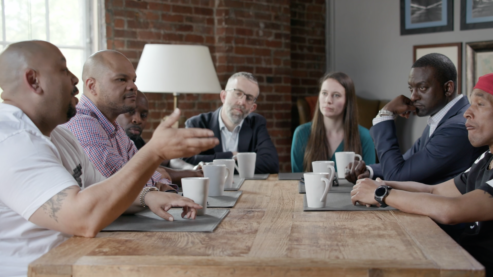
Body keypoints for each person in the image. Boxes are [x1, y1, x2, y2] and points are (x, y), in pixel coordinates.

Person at [0, 41, 218, 276]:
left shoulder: (60, 135)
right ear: (33, 80)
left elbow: (99, 189)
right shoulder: (13, 140)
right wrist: (155, 152)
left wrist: (149, 197)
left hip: (79, 260)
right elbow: (83, 218)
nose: (75, 80)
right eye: (64, 70)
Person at [351, 73, 493, 276]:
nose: (467, 113)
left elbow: (451, 210)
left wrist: (381, 193)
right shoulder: (486, 159)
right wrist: (381, 184)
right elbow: (435, 190)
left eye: (480, 104)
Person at [346, 53, 487, 184]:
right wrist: (369, 171)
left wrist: (385, 114)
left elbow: (397, 176)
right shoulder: (442, 119)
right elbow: (406, 163)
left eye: (423, 88)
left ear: (448, 88)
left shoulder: (457, 127)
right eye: (411, 89)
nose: (413, 97)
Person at [64, 50, 178, 191]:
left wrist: (157, 180)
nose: (133, 87)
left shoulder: (113, 126)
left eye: (133, 80)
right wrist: (157, 183)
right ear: (92, 86)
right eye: (121, 79)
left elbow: (144, 170)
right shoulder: (82, 124)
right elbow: (120, 183)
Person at [183, 72, 279, 174]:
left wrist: (214, 165)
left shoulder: (256, 123)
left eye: (249, 98)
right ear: (223, 96)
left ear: (252, 108)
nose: (242, 102)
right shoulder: (197, 124)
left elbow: (271, 163)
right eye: (238, 93)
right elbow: (185, 159)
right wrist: (230, 155)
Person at [291, 72, 376, 172]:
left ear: (347, 101)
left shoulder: (365, 137)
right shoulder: (301, 133)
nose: (328, 100)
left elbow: (369, 182)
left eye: (336, 95)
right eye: (324, 93)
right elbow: (296, 180)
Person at [116, 90, 202, 182]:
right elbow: (146, 172)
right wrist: (193, 174)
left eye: (143, 115)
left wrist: (190, 168)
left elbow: (159, 161)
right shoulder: (113, 142)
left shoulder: (136, 140)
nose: (138, 119)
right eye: (130, 112)